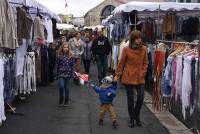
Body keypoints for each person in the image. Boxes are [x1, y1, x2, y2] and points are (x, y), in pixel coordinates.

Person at [114, 30, 148, 128]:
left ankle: (136, 116)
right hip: (129, 76)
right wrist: (117, 75)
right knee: (130, 99)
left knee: (141, 98)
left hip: (140, 77)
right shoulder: (126, 49)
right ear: (133, 39)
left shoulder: (144, 49)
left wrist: (143, 72)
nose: (139, 40)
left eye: (140, 38)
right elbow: (121, 63)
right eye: (137, 38)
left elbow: (146, 62)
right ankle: (132, 119)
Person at [55, 42, 76, 107]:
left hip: (68, 74)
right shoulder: (59, 55)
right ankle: (61, 100)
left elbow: (73, 65)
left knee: (67, 88)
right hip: (61, 73)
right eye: (64, 47)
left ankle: (66, 100)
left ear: (68, 48)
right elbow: (56, 65)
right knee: (61, 86)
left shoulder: (71, 55)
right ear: (62, 48)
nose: (65, 48)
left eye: (67, 47)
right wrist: (55, 74)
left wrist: (73, 74)